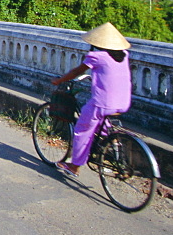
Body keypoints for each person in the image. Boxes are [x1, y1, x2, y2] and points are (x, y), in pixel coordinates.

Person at [50, 22, 132, 179]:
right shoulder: (124, 56)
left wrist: (59, 81)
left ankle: (74, 166)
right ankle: (114, 148)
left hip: (102, 103)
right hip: (123, 102)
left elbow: (76, 72)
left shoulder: (97, 57)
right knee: (103, 124)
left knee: (81, 130)